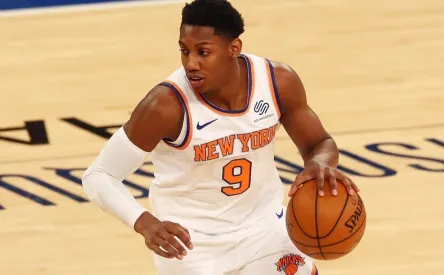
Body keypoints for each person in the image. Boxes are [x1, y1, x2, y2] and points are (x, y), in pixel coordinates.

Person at [81, 0, 359, 274]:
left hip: (265, 231)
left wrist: (320, 163)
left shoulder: (277, 82)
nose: (191, 63)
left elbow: (318, 143)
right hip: (190, 245)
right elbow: (99, 175)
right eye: (184, 51)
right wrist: (145, 223)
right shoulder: (165, 105)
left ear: (233, 48)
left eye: (203, 52)